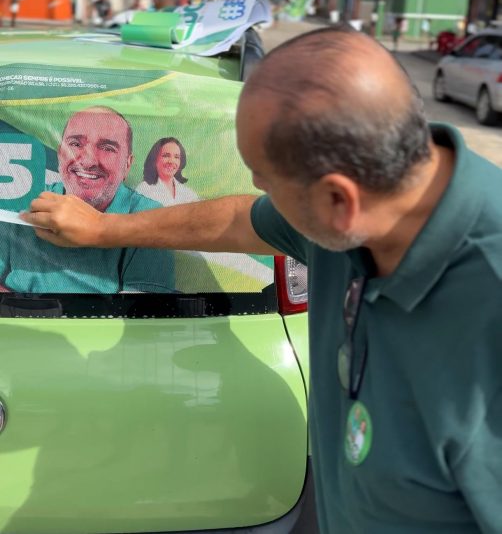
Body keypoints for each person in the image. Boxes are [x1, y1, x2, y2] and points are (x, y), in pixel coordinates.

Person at [24, 28, 502, 532]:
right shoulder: (360, 205)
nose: (258, 190)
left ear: (338, 202)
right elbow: (238, 220)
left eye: (265, 178)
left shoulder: (485, 308)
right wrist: (104, 229)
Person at [1, 106, 174, 294]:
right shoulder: (20, 202)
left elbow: (139, 312)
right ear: (60, 154)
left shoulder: (151, 216)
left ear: (127, 164)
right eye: (75, 144)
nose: (89, 160)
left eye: (107, 148)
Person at [136, 137, 198, 206]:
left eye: (176, 157)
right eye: (166, 156)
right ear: (154, 159)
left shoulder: (189, 194)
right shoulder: (143, 190)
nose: (171, 161)